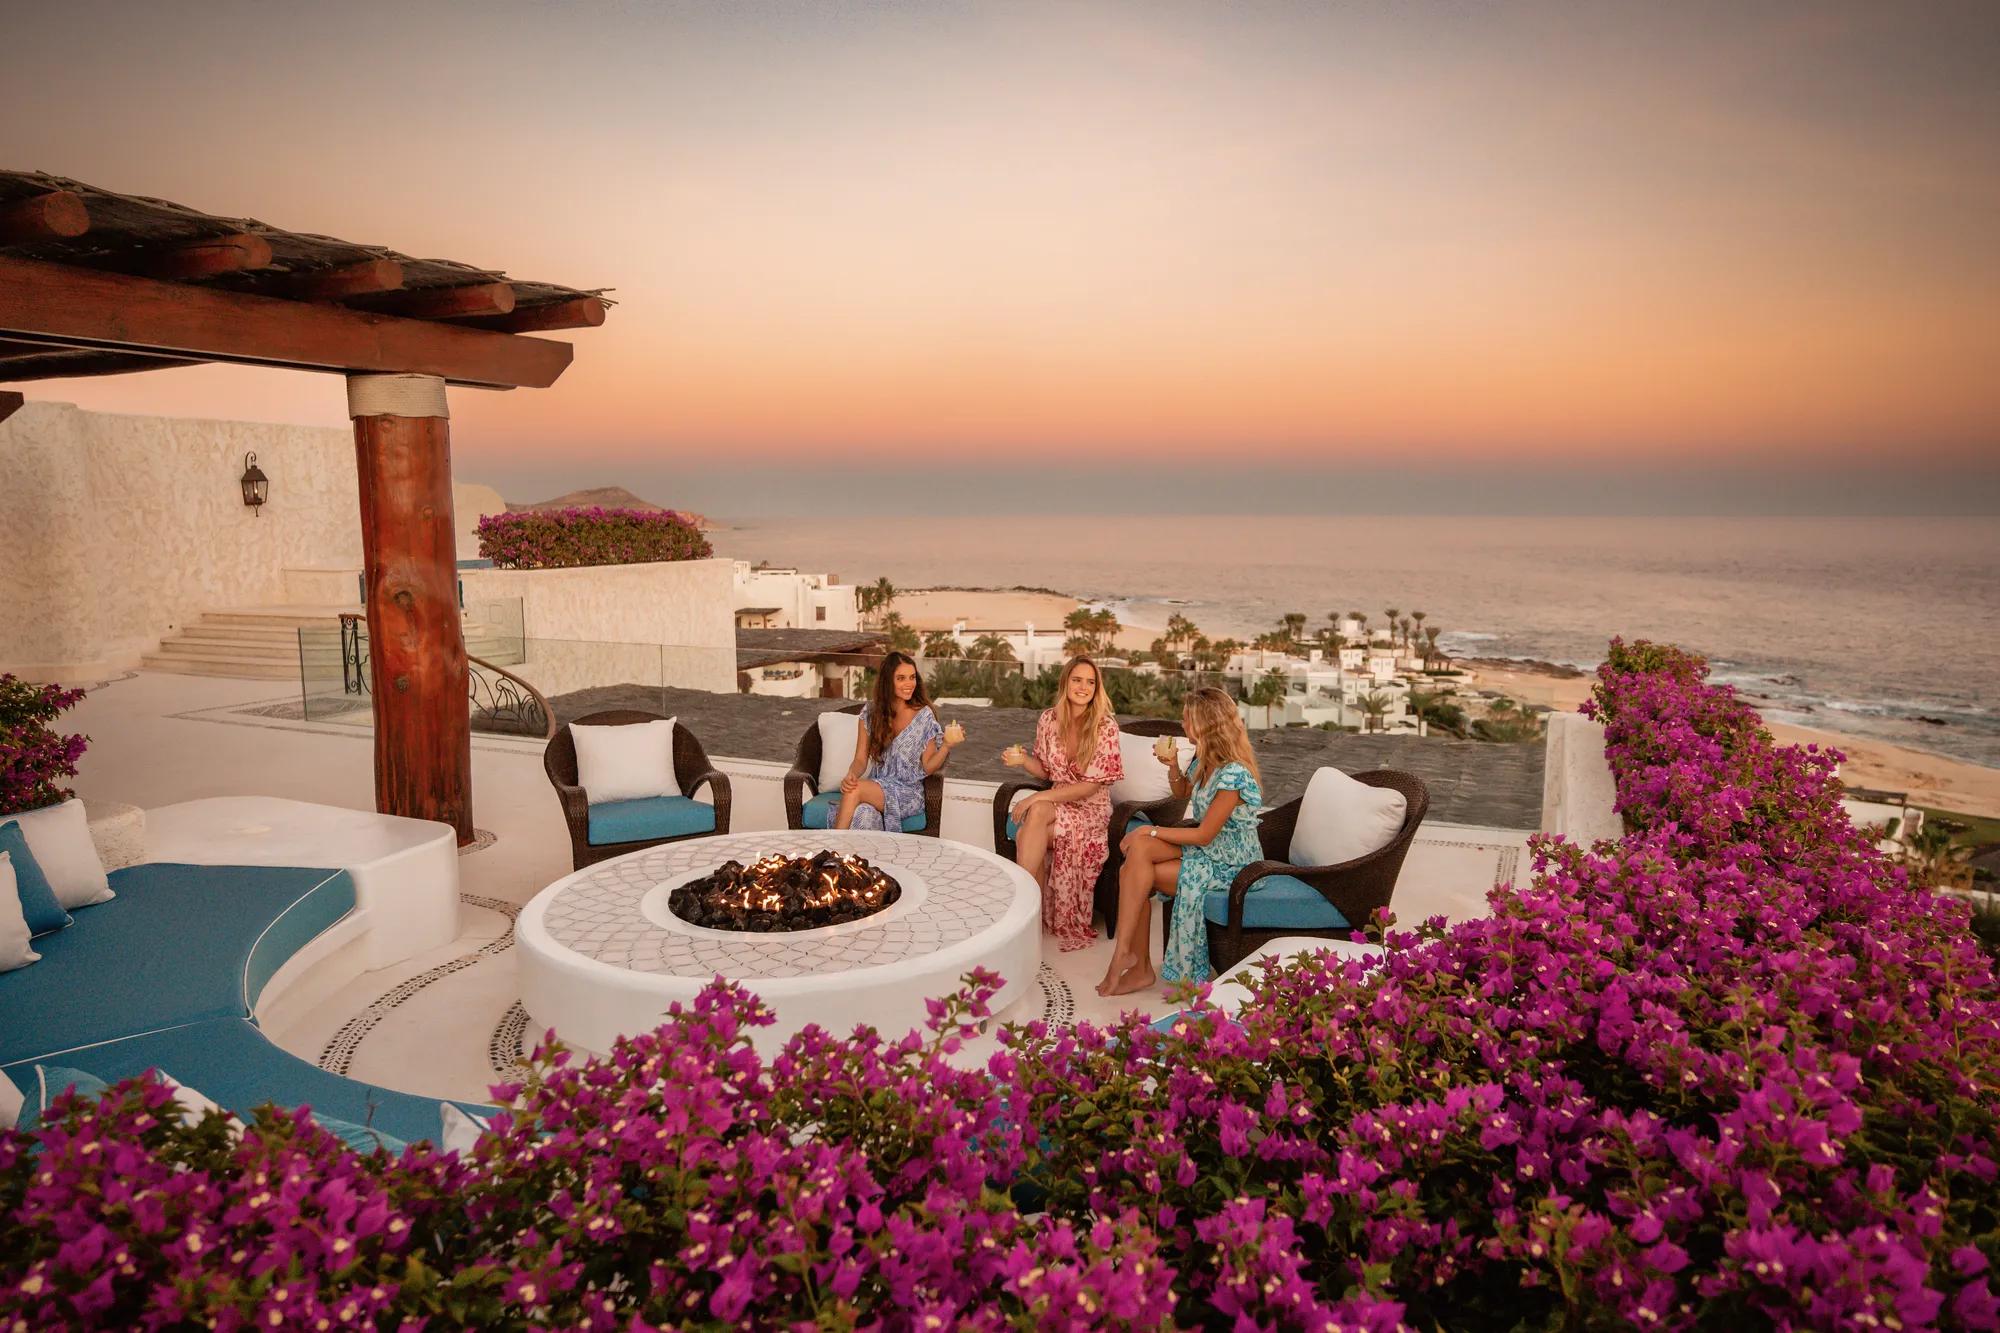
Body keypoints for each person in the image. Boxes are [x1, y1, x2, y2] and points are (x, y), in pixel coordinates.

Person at [1097, 686, 1263, 995]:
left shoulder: (1234, 775)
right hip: (1209, 849)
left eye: (1187, 719)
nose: (1182, 724)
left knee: (1134, 870)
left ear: (1204, 724)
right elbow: (1183, 793)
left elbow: (1203, 834)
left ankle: (1132, 960)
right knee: (1140, 853)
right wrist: (1173, 766)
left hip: (1230, 864)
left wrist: (1151, 830)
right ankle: (1130, 959)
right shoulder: (1205, 760)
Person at [1002, 655, 1124, 951]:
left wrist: (1038, 796)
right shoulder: (1048, 719)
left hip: (1090, 809)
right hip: (1058, 804)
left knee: (1029, 824)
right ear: (1065, 682)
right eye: (1077, 680)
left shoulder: (1105, 727)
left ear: (1097, 688)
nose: (1083, 687)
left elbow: (1089, 787)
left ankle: (1020, 912)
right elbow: (1046, 770)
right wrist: (1022, 762)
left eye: (1090, 682)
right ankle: (1026, 915)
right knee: (1037, 818)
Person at [834, 652, 959, 832]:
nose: (909, 684)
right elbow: (860, 759)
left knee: (854, 791)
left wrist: (947, 745)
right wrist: (851, 774)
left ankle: (833, 852)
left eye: (912, 677)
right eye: (901, 678)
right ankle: (866, 859)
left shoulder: (923, 715)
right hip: (879, 785)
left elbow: (928, 766)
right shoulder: (870, 713)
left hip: (908, 793)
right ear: (888, 681)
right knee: (864, 813)